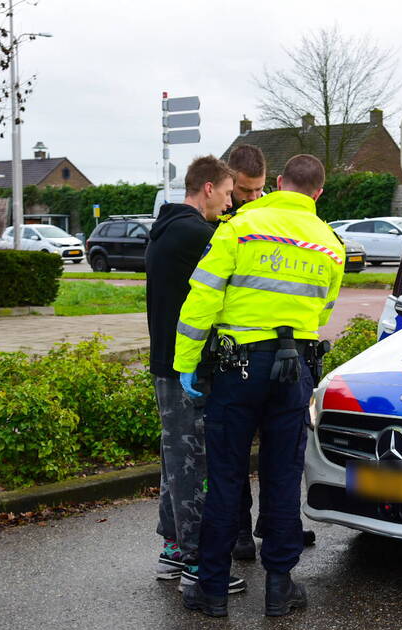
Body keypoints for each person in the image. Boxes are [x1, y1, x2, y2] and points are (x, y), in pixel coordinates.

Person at [175, 154, 344, 617]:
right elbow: (323, 311)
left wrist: (186, 364)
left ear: (278, 183)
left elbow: (202, 298)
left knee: (226, 476)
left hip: (238, 368)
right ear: (318, 193)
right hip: (295, 371)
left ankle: (212, 589)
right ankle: (279, 587)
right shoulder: (330, 244)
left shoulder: (240, 228)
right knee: (283, 476)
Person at [144, 155, 246, 595]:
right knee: (192, 462)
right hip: (188, 366)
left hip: (166, 363)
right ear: (208, 188)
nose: (229, 204)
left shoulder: (168, 227)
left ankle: (172, 548)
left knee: (174, 460)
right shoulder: (196, 235)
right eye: (227, 193)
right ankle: (198, 562)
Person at [220, 144, 319, 562]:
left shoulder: (275, 217)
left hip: (284, 351)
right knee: (235, 455)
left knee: (282, 454)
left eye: (258, 190)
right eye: (244, 190)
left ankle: (279, 526)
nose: (250, 197)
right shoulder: (223, 220)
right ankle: (241, 531)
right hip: (237, 351)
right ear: (227, 183)